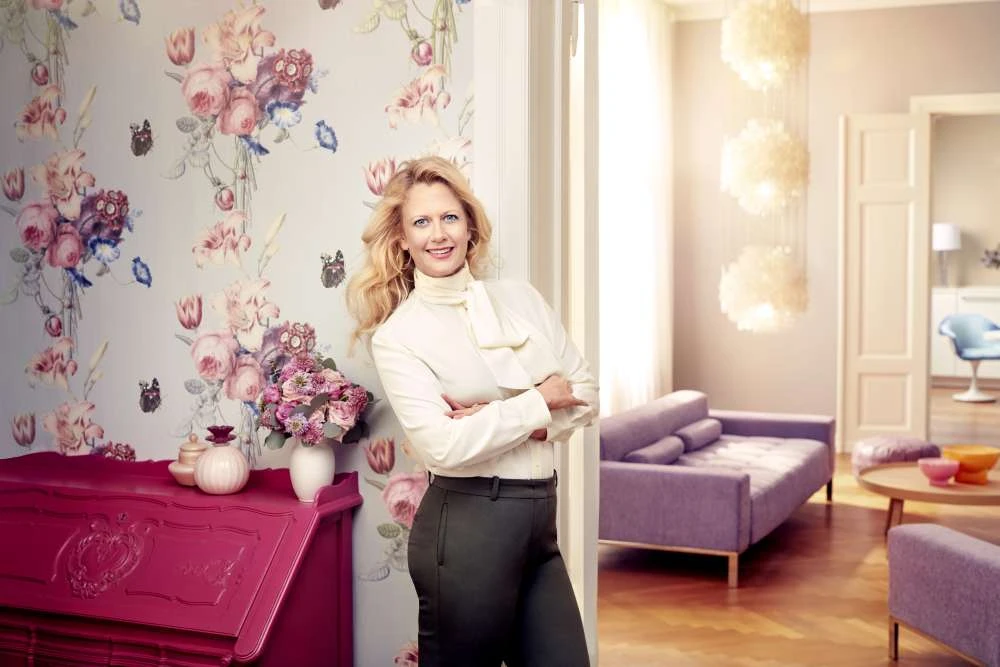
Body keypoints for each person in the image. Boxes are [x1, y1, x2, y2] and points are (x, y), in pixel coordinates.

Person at [346, 155, 598, 667]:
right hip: (466, 532)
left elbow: (587, 394)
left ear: (469, 225)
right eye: (421, 222)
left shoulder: (522, 299)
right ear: (402, 238)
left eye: (449, 217)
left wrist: (504, 417)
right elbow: (445, 447)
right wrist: (539, 400)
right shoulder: (399, 336)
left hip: (539, 525)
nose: (438, 234)